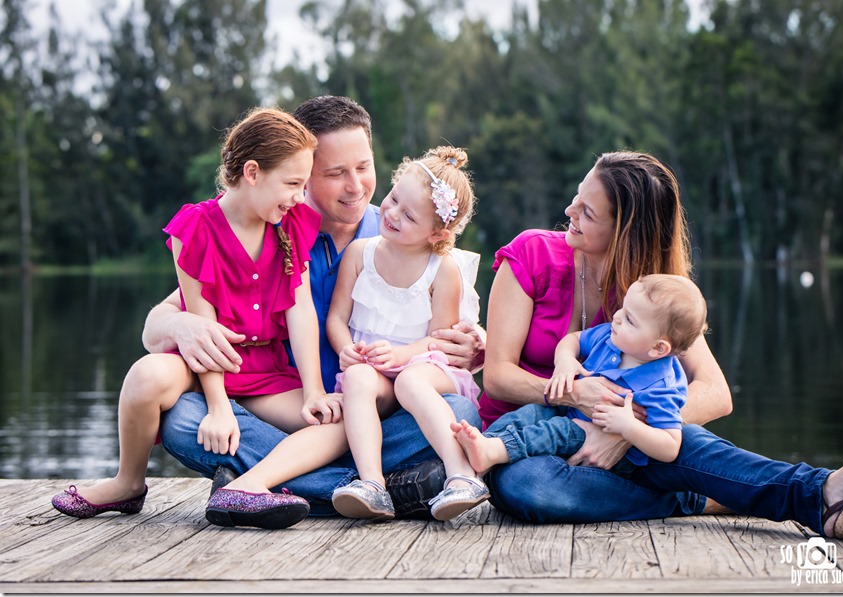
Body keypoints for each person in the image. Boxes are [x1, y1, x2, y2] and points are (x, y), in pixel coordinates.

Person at [475, 150, 843, 540]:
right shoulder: (531, 254)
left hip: (621, 439)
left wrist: (626, 430)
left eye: (588, 212)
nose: (570, 209)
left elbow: (715, 393)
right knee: (526, 485)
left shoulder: (649, 293)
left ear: (625, 229)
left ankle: (822, 493)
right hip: (526, 442)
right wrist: (575, 395)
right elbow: (498, 377)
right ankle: (694, 498)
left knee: (682, 441)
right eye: (577, 197)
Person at [141, 96, 485, 523]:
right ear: (300, 174)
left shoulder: (406, 229)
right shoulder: (267, 228)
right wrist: (180, 323)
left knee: (460, 413)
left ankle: (269, 479)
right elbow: (158, 326)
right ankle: (392, 488)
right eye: (336, 173)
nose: (356, 186)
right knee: (180, 419)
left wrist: (475, 345)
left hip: (378, 420)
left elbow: (450, 343)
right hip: (284, 413)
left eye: (363, 167)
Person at [51, 107, 334, 528]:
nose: (298, 196)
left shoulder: (290, 223)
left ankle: (252, 484)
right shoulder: (196, 228)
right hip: (204, 366)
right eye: (292, 184)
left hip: (264, 371)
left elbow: (300, 309)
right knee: (146, 376)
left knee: (337, 420)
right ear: (252, 172)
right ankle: (128, 483)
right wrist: (218, 408)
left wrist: (313, 391)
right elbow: (203, 331)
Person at [324, 146, 488, 522]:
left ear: (437, 233)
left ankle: (461, 475)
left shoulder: (441, 269)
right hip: (376, 367)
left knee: (410, 382)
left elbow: (439, 340)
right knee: (357, 378)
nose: (392, 213)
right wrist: (347, 350)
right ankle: (372, 485)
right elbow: (336, 318)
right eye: (394, 199)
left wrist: (401, 357)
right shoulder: (359, 254)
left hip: (423, 365)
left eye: (409, 215)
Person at [455, 273, 707, 475]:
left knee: (559, 431)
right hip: (570, 412)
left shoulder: (661, 386)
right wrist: (565, 360)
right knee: (530, 413)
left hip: (603, 446)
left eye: (630, 319)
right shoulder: (610, 337)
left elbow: (670, 446)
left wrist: (629, 428)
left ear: (657, 348)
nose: (617, 317)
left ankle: (492, 453)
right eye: (623, 309)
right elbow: (573, 340)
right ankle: (479, 454)